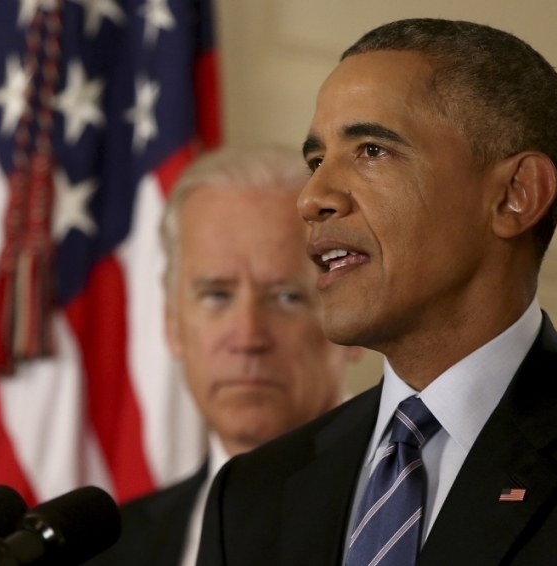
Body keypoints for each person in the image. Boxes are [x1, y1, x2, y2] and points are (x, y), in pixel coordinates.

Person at [197, 19, 557, 566]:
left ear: (515, 195)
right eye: (316, 160)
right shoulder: (251, 494)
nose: (311, 197)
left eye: (371, 150)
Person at [85, 147, 362, 566]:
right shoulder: (109, 551)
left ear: (355, 319)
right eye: (216, 295)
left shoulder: (410, 517)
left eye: (287, 297)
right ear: (172, 321)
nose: (248, 337)